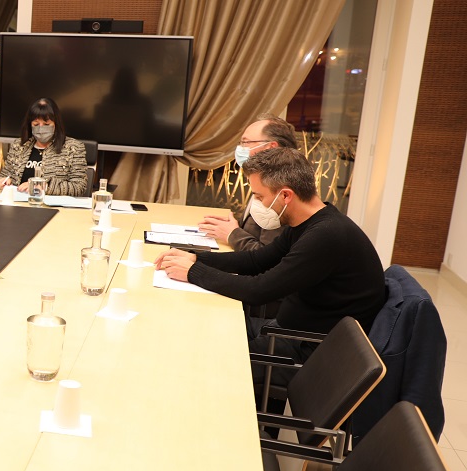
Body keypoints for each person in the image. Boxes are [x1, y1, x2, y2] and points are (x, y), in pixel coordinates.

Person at [156, 148, 386, 386]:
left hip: (308, 351)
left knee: (198, 358)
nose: (257, 203)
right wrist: (195, 259)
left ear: (285, 195)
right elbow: (257, 261)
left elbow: (259, 290)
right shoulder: (309, 222)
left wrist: (192, 273)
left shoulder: (325, 236)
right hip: (286, 331)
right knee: (202, 327)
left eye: (259, 196)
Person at [198, 114, 299, 251]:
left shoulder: (281, 189)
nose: (240, 148)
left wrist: (232, 234)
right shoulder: (263, 179)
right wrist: (232, 226)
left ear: (271, 147)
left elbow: (267, 255)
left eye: (246, 143)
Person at [0, 97, 89, 197]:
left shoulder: (73, 148)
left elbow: (79, 187)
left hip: (53, 204)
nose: (41, 128)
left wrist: (43, 186)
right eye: (36, 124)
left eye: (46, 124)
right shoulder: (19, 145)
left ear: (56, 123)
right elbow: (5, 175)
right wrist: (2, 181)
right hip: (19, 202)